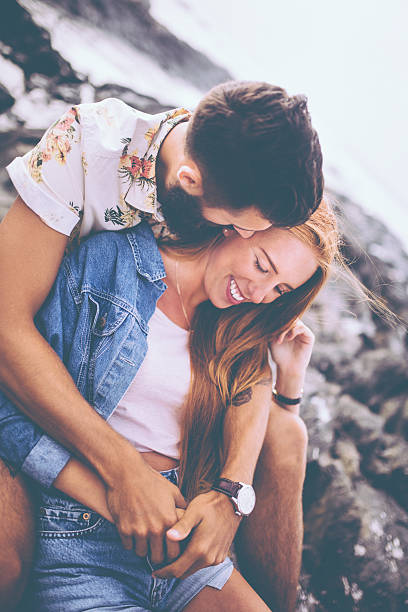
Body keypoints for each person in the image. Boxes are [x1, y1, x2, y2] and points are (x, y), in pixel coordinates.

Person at [0, 80, 323, 610]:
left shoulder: (241, 172)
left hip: (166, 505)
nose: (247, 239)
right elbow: (8, 327)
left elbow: (246, 354)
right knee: (9, 565)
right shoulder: (85, 150)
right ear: (192, 182)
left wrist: (229, 494)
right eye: (247, 231)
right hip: (46, 402)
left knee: (288, 437)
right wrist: (122, 472)